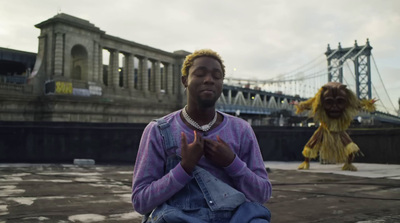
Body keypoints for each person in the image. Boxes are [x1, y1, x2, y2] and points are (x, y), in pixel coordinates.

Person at [131, 49, 272, 222]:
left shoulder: (242, 130)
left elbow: (263, 194)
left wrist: (232, 163)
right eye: (200, 73)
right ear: (185, 81)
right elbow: (140, 202)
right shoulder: (158, 131)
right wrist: (184, 168)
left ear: (222, 83)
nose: (209, 80)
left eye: (217, 76)